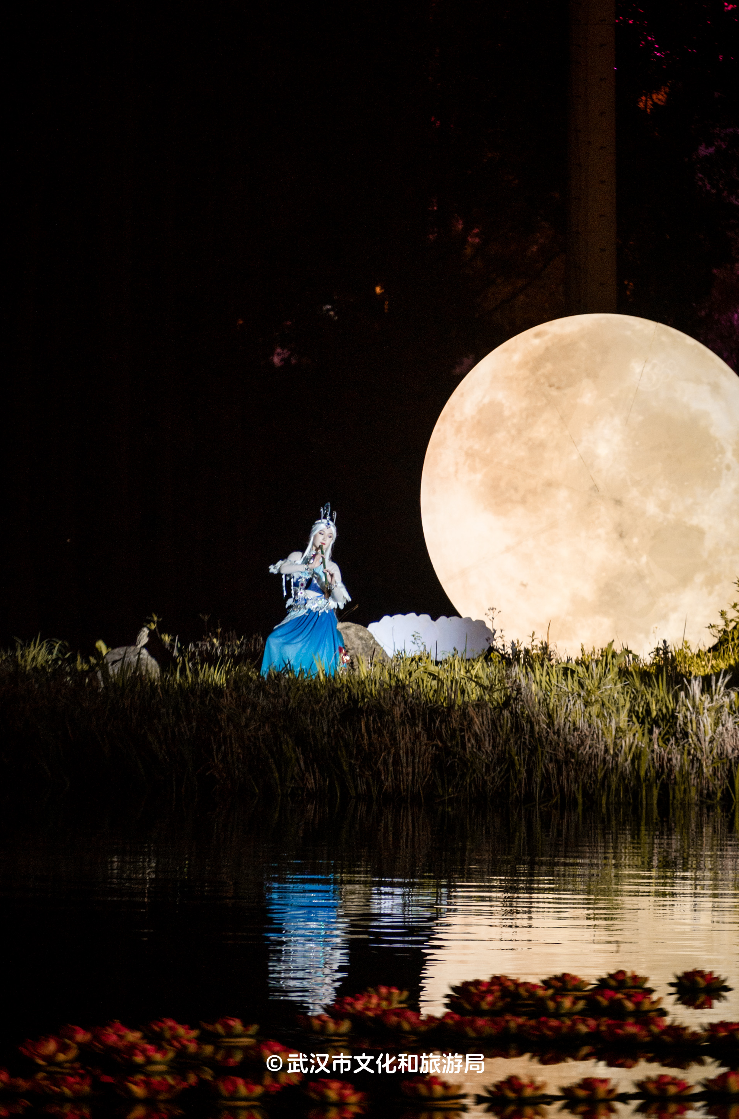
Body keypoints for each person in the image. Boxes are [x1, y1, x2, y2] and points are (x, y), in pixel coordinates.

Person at [260, 505, 351, 677]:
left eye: (329, 536)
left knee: (318, 647)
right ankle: (278, 678)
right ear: (313, 534)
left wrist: (331, 584)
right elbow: (283, 569)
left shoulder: (331, 566)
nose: (325, 539)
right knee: (274, 639)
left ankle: (313, 679)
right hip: (299, 612)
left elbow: (340, 599)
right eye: (321, 533)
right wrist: (309, 567)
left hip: (321, 615)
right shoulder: (297, 557)